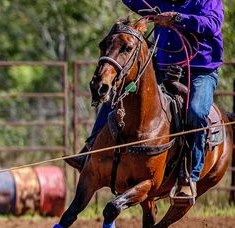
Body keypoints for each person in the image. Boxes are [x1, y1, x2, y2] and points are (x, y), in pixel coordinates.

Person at [66, 0, 224, 200]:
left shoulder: (207, 1)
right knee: (117, 94)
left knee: (196, 112)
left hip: (200, 70)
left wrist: (177, 17)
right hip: (163, 65)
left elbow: (212, 23)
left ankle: (189, 175)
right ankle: (90, 150)